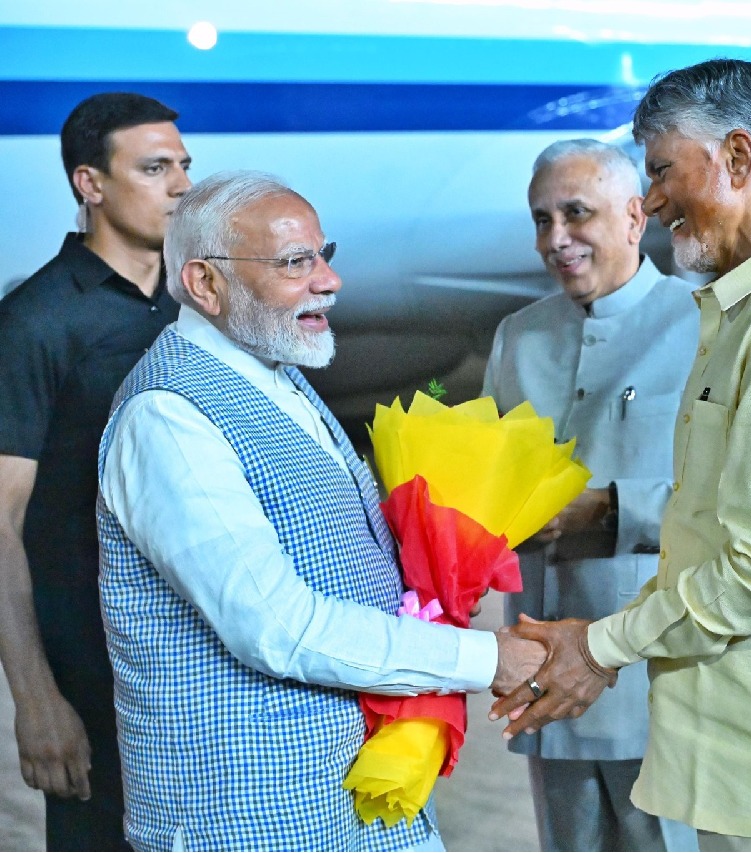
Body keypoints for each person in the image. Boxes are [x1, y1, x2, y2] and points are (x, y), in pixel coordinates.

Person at [491, 59, 751, 852]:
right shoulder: (745, 313)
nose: (652, 201)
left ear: (738, 158)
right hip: (730, 747)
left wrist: (599, 645)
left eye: (660, 171)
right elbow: (712, 529)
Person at [95, 171, 545, 851]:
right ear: (204, 283)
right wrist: (485, 657)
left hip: (354, 802)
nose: (330, 281)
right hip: (249, 823)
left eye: (323, 254)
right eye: (294, 262)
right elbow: (277, 627)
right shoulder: (168, 418)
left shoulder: (273, 370)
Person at [482, 138, 699, 852]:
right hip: (543, 669)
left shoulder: (702, 326)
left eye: (576, 214)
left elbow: (735, 506)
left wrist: (609, 509)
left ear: (635, 217)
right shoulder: (518, 338)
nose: (556, 239)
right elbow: (484, 480)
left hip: (650, 672)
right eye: (541, 219)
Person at [0, 92, 191, 851]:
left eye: (184, 166)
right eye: (155, 168)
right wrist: (35, 698)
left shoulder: (196, 305)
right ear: (91, 183)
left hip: (199, 665)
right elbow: (0, 522)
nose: (182, 186)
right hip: (92, 669)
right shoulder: (36, 320)